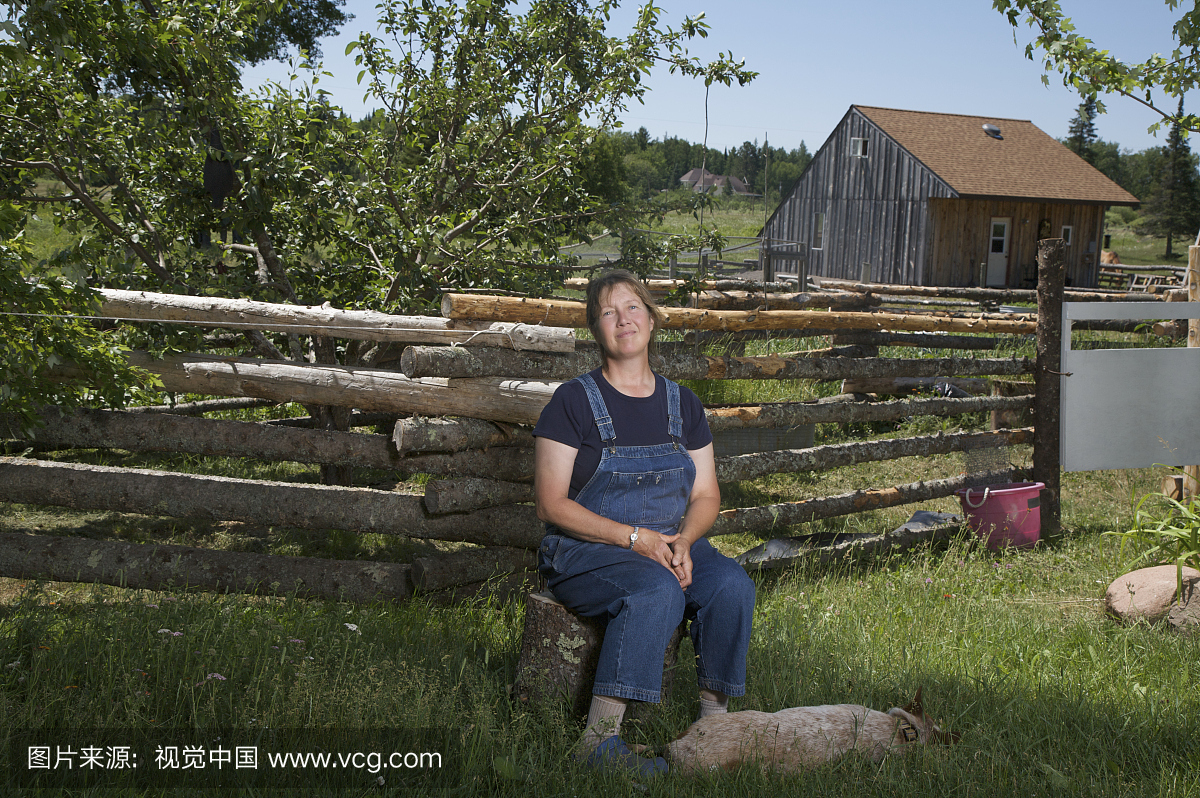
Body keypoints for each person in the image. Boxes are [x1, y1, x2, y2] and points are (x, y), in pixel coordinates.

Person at [533, 269, 756, 776]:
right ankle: (597, 743)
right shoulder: (573, 402)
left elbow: (705, 494)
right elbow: (551, 506)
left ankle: (714, 726)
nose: (622, 319)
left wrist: (685, 542)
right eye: (607, 312)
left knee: (732, 587)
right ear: (597, 330)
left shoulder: (684, 404)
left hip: (670, 541)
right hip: (586, 549)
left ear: (652, 320)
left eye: (632, 306)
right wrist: (635, 539)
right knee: (658, 592)